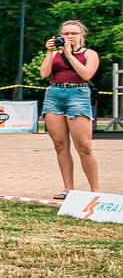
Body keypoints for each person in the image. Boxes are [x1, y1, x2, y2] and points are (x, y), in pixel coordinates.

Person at [42, 20, 101, 198]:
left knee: (84, 145)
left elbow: (86, 74)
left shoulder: (89, 54)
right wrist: (49, 52)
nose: (69, 37)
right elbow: (44, 73)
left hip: (78, 94)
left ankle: (95, 190)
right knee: (60, 145)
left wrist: (69, 54)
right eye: (66, 34)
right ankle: (68, 188)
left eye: (74, 33)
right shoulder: (55, 54)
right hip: (54, 95)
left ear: (82, 36)